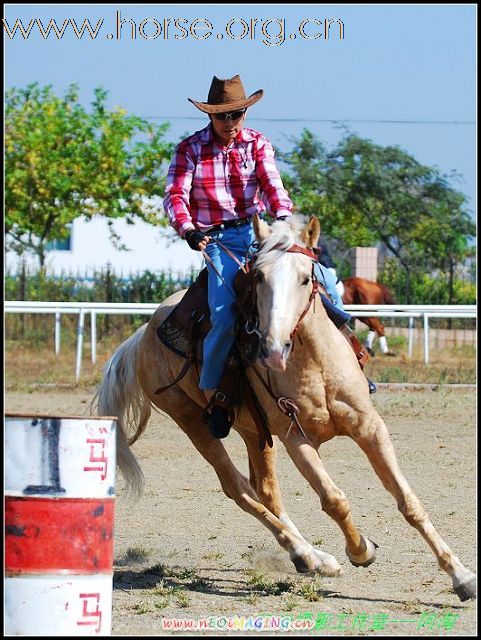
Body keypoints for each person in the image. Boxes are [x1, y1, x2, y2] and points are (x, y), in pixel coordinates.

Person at [163, 74, 293, 439]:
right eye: (224, 116)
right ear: (211, 117)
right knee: (222, 314)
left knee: (316, 283)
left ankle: (350, 363)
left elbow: (273, 187)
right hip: (217, 240)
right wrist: (188, 229)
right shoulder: (190, 149)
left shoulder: (257, 144)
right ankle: (215, 394)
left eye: (237, 115)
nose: (231, 123)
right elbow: (175, 195)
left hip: (258, 232)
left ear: (244, 112)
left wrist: (282, 220)